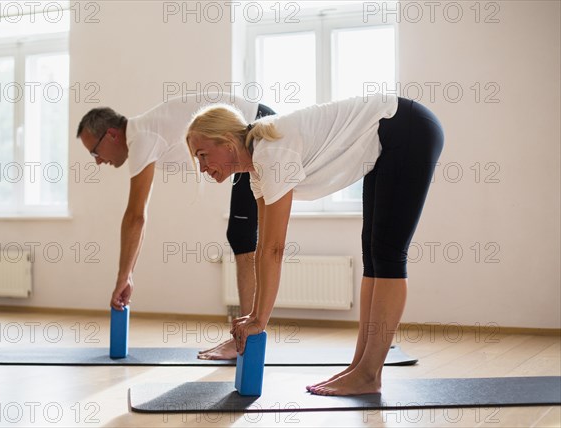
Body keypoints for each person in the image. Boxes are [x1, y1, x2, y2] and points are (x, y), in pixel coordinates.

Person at [186, 94, 444, 395]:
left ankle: (369, 375)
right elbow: (264, 247)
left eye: (203, 154)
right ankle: (360, 367)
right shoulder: (257, 169)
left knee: (388, 255)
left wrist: (259, 320)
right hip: (391, 138)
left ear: (227, 142)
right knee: (374, 257)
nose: (202, 167)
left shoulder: (271, 152)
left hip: (406, 129)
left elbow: (274, 250)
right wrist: (256, 315)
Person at [76, 93, 275, 360]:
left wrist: (124, 278)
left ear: (112, 134)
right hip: (251, 123)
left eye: (95, 152)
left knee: (242, 236)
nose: (98, 161)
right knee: (240, 235)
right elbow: (138, 216)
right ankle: (244, 337)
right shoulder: (146, 130)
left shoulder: (142, 137)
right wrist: (128, 274)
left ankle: (245, 339)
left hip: (254, 124)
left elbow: (136, 216)